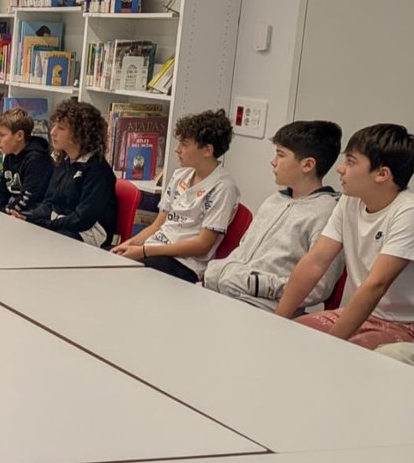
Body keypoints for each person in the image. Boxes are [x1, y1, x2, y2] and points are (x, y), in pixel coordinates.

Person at [277, 123, 414, 348]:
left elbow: (376, 285)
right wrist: (278, 320)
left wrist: (333, 345)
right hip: (363, 315)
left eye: (350, 162)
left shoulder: (407, 212)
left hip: (404, 324)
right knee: (293, 335)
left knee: (342, 354)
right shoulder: (350, 199)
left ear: (382, 174)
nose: (340, 169)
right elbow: (316, 261)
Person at [204, 120, 343, 311]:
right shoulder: (273, 201)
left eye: (281, 154)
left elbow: (316, 287)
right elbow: (243, 250)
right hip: (221, 292)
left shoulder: (328, 213)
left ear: (308, 165)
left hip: (262, 306)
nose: (273, 161)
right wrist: (217, 272)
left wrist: (256, 284)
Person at [112, 109, 240, 282]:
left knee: (126, 278)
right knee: (109, 260)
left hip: (184, 263)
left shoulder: (223, 188)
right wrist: (128, 245)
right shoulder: (180, 175)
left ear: (207, 150)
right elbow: (158, 224)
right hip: (154, 250)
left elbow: (202, 246)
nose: (176, 149)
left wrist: (143, 251)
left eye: (184, 144)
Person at [20, 99, 117, 247]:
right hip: (60, 223)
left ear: (80, 134)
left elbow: (82, 220)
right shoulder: (63, 161)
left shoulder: (98, 171)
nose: (52, 132)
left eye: (61, 128)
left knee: (46, 242)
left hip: (89, 233)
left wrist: (46, 223)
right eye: (54, 126)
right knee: (23, 229)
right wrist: (29, 217)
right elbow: (49, 202)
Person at [0, 109, 53, 217]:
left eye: (2, 135)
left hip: (32, 216)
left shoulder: (37, 159)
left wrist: (4, 211)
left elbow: (28, 199)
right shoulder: (10, 155)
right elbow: (2, 189)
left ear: (19, 136)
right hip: (13, 212)